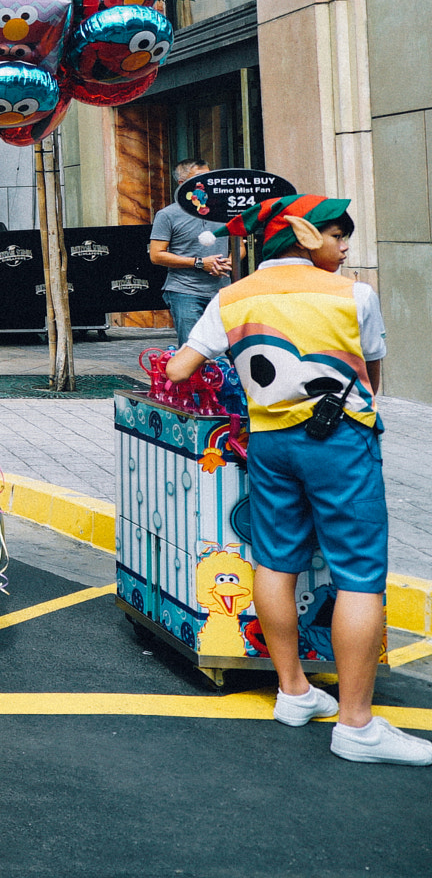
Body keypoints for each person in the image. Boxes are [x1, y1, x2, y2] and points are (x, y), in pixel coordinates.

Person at [165, 194, 430, 765]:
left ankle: (293, 692)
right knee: (358, 573)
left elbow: (179, 368)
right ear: (305, 237)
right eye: (338, 237)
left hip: (269, 442)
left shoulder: (231, 296)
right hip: (338, 441)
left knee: (276, 561)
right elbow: (372, 375)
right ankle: (357, 725)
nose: (343, 249)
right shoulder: (353, 293)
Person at [149, 158, 234, 346]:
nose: (208, 182)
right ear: (183, 183)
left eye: (210, 176)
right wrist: (199, 262)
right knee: (193, 349)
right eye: (201, 178)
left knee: (223, 347)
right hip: (185, 291)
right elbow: (156, 255)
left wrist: (230, 261)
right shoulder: (167, 215)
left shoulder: (224, 211)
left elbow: (239, 246)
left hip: (222, 291)